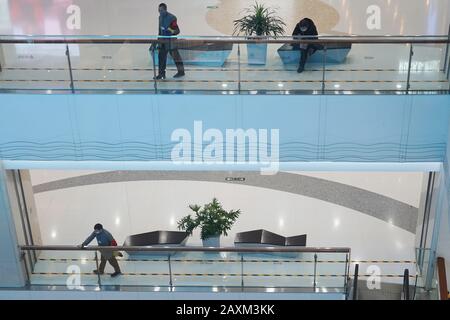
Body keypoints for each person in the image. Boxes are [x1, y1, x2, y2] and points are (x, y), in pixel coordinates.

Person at [153, 3, 185, 80]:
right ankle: (161, 74)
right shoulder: (160, 17)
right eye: (159, 10)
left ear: (165, 10)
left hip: (171, 42)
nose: (160, 12)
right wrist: (158, 41)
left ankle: (181, 72)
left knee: (176, 57)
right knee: (161, 57)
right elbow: (159, 31)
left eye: (161, 10)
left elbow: (177, 31)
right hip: (163, 42)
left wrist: (170, 30)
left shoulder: (172, 18)